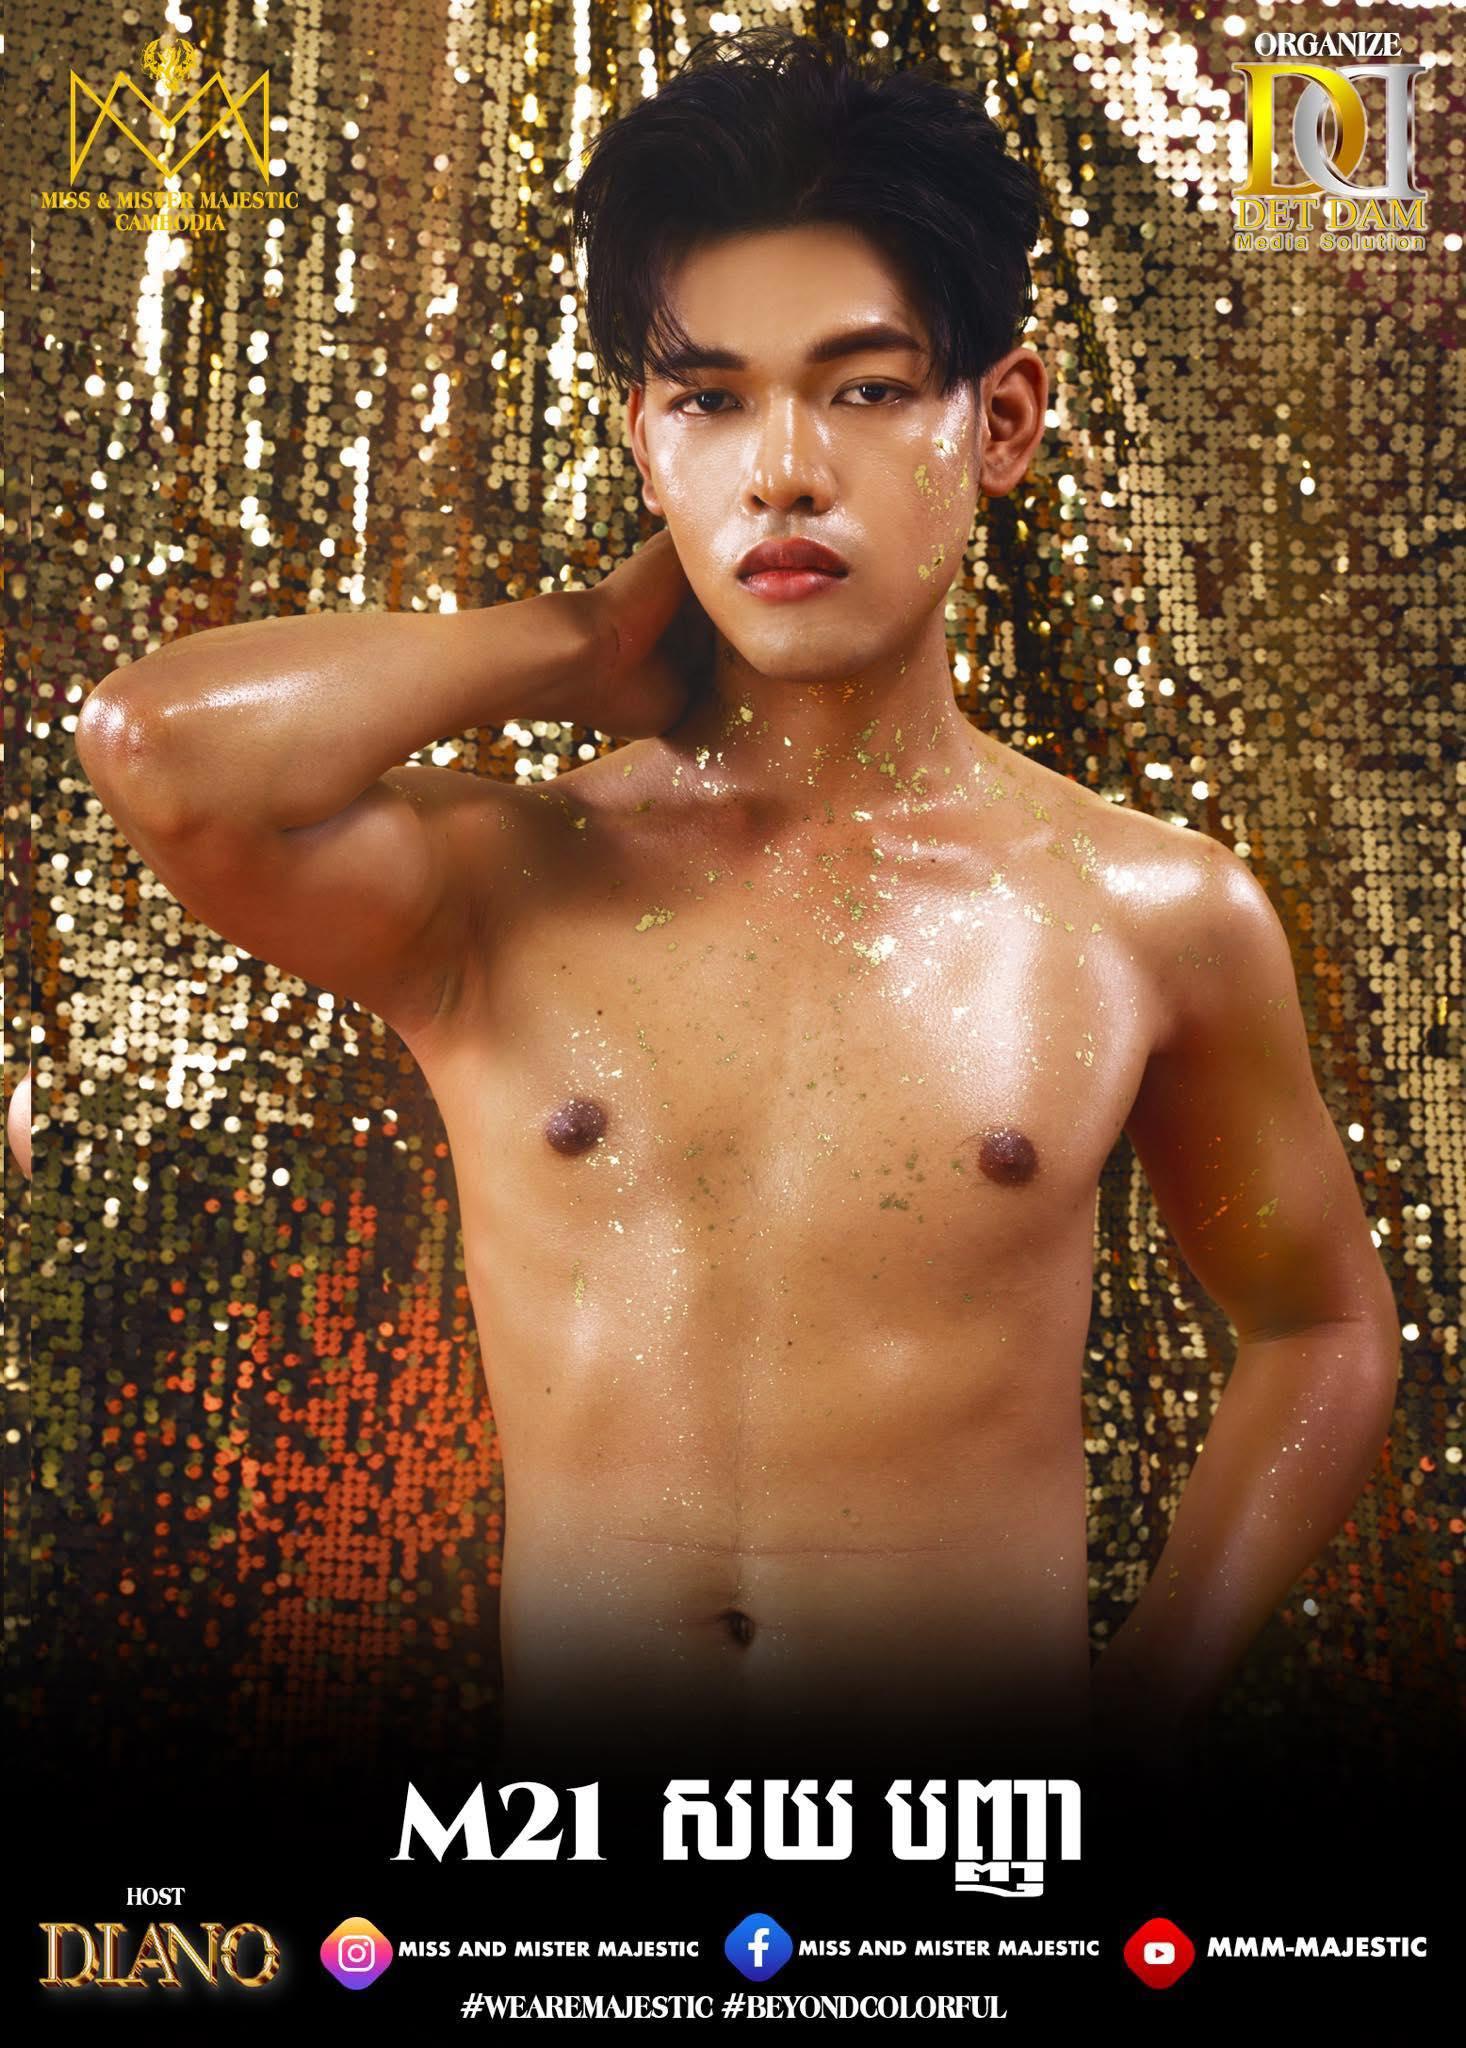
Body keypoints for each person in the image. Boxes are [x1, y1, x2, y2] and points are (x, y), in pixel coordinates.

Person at [73, 28, 1398, 1763]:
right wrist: (576, 642)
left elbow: (1318, 1325)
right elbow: (157, 747)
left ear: (999, 420)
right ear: (646, 443)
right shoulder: (492, 891)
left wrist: (1146, 1710)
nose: (782, 468)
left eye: (864, 388)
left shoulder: (1148, 914)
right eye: (709, 399)